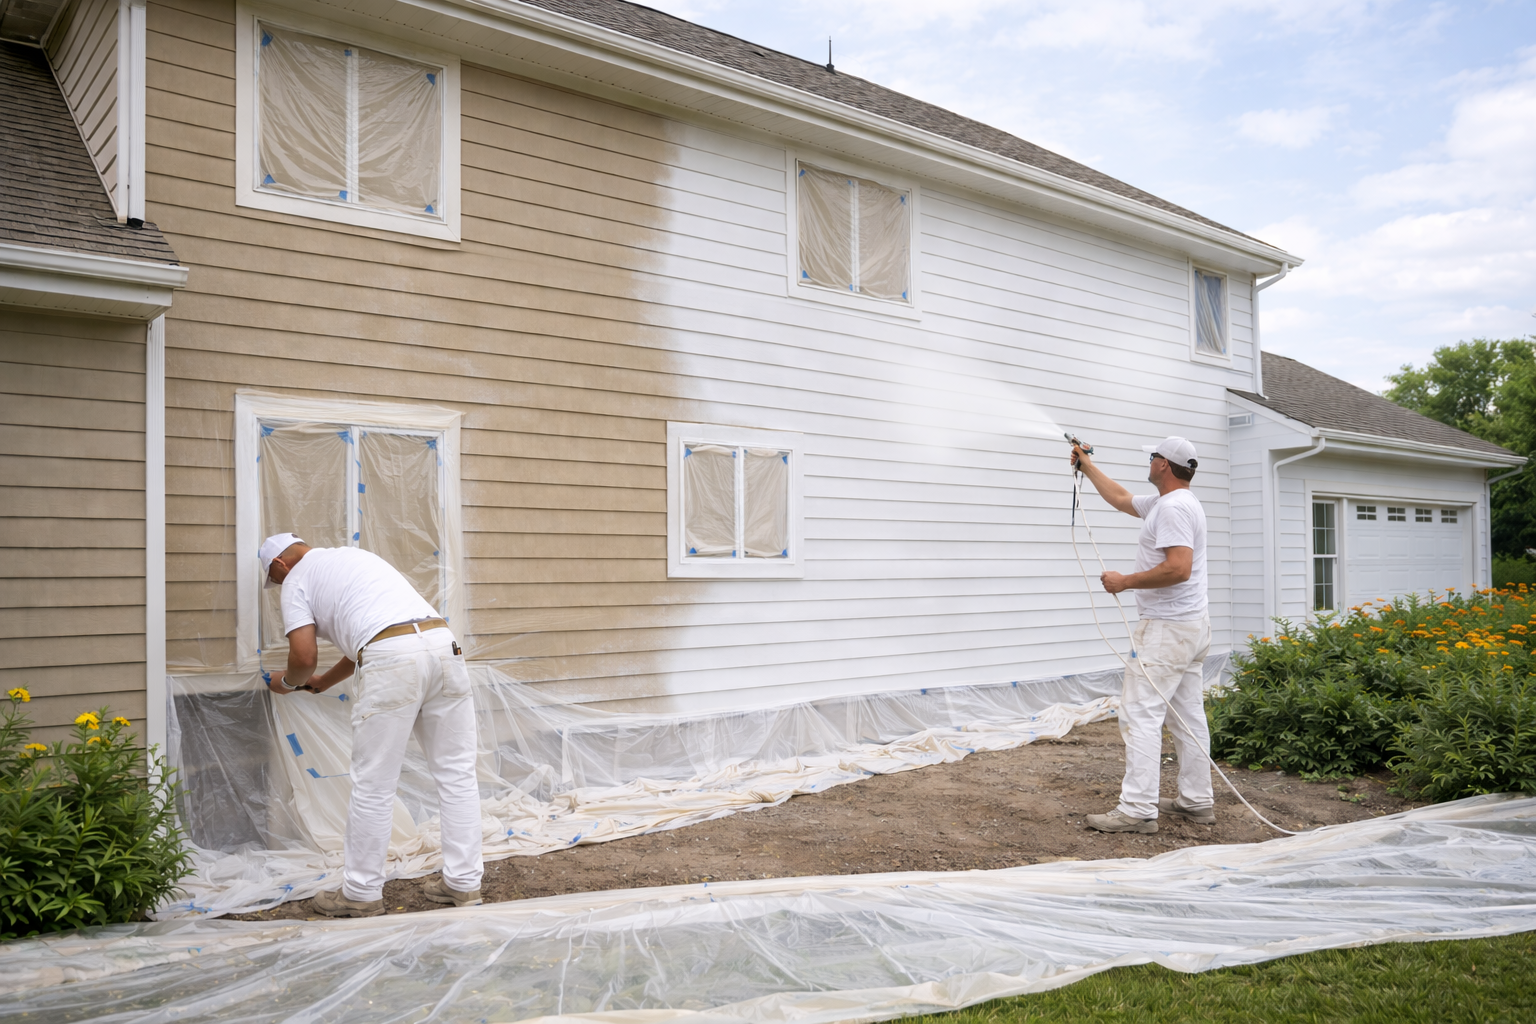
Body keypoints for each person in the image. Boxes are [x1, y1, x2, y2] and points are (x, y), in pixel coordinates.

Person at [259, 532, 485, 916]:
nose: (278, 585)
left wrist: (290, 682)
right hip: (442, 645)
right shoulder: (353, 557)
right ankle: (463, 885)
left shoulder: (296, 580)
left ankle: (360, 894)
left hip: (393, 658)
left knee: (374, 784)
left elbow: (304, 655)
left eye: (274, 579)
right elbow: (375, 634)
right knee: (457, 774)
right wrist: (324, 683)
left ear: (280, 565)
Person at [1069, 437, 1213, 834]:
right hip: (1190, 628)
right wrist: (1086, 465)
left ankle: (1137, 809)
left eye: (1152, 457)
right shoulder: (1173, 503)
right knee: (1187, 716)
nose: (1148, 462)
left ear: (1164, 464)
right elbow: (1121, 498)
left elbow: (1178, 568)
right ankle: (1196, 801)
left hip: (1167, 631)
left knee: (1140, 714)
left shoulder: (1173, 509)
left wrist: (1124, 582)